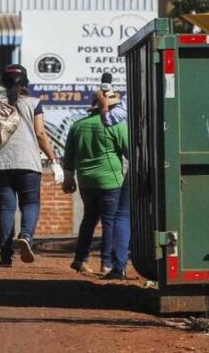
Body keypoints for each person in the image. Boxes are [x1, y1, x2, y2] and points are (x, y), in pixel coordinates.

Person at [0, 64, 62, 267]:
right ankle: (26, 235)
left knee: (6, 207)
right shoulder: (33, 103)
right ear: (25, 83)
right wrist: (54, 159)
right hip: (27, 161)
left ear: (3, 83)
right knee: (30, 203)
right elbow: (40, 133)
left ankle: (5, 257)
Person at [62, 93, 128, 277]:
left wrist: (68, 178)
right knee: (110, 221)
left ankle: (80, 258)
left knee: (89, 218)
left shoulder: (77, 126)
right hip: (111, 180)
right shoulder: (115, 125)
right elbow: (129, 150)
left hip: (86, 181)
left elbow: (69, 156)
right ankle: (106, 263)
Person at [96, 88, 130, 279]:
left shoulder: (79, 125)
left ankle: (119, 266)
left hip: (141, 166)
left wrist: (104, 108)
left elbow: (108, 119)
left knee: (122, 216)